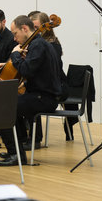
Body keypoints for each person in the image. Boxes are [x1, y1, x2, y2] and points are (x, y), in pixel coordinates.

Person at [0, 15, 61, 166]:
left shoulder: (38, 45)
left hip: (44, 98)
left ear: (25, 29)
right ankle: (17, 150)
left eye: (15, 33)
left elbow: (27, 70)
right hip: (40, 95)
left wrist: (15, 54)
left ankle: (16, 154)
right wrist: (6, 65)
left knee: (2, 108)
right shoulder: (37, 44)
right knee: (9, 103)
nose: (14, 39)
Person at [29, 11, 72, 141]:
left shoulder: (52, 45)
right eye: (33, 28)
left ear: (45, 27)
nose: (34, 31)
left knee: (30, 96)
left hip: (57, 86)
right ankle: (28, 137)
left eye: (36, 28)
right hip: (47, 84)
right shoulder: (37, 43)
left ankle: (34, 138)